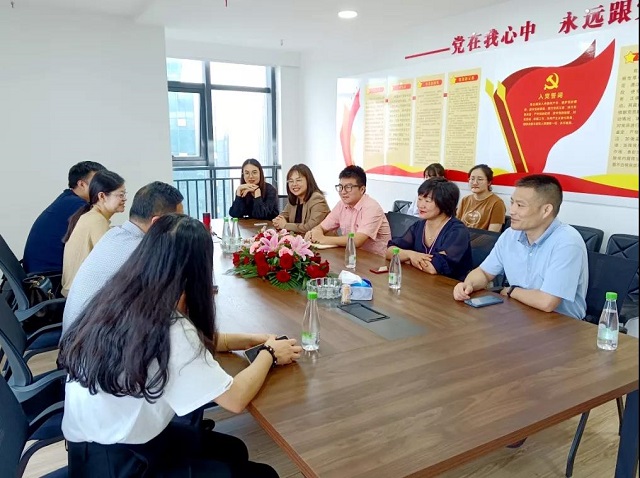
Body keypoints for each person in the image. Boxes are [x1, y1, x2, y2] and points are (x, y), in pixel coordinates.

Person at [58, 214, 300, 477]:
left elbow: (193, 343)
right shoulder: (170, 326)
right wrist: (269, 354)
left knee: (233, 450)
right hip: (125, 464)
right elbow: (235, 399)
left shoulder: (120, 295)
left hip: (92, 448)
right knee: (261, 473)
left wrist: (252, 340)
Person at [453, 174, 588, 320]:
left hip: (561, 324)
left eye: (520, 205)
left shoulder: (567, 242)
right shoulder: (510, 235)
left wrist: (511, 291)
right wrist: (468, 285)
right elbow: (484, 273)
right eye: (512, 203)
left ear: (546, 210)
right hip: (519, 315)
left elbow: (547, 302)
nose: (512, 210)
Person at [62, 181, 184, 334]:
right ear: (157, 223)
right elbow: (169, 306)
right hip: (91, 343)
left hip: (77, 338)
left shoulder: (114, 235)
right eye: (179, 221)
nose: (180, 228)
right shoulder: (140, 252)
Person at [22, 161, 106, 273]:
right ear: (81, 184)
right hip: (51, 277)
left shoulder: (68, 200)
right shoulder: (78, 206)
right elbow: (101, 243)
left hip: (39, 273)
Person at [387, 178, 472, 281]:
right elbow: (390, 251)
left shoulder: (457, 231)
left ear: (444, 204)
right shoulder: (419, 225)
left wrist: (405, 258)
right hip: (421, 282)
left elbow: (432, 267)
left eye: (427, 201)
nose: (421, 205)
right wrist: (411, 255)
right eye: (419, 199)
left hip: (450, 287)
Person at [61, 170, 126, 296]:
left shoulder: (91, 216)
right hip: (80, 295)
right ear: (102, 196)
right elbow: (111, 262)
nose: (124, 199)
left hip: (75, 291)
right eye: (120, 195)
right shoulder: (97, 221)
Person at [305, 165, 391, 256]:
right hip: (352, 255)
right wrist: (315, 233)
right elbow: (321, 227)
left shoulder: (371, 207)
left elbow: (357, 241)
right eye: (340, 187)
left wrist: (323, 239)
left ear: (362, 189)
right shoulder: (341, 204)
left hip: (376, 259)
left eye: (348, 187)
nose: (343, 192)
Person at [272, 164, 330, 234]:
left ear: (308, 181)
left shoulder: (317, 198)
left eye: (298, 180)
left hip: (320, 240)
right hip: (298, 238)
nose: (294, 184)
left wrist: (285, 225)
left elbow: (310, 227)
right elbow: (283, 216)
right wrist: (278, 221)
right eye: (291, 181)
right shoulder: (295, 198)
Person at [457, 164, 506, 232]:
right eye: (472, 179)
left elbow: (492, 234)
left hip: (481, 238)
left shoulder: (497, 203)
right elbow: (456, 225)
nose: (475, 183)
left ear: (489, 182)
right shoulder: (465, 200)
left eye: (480, 179)